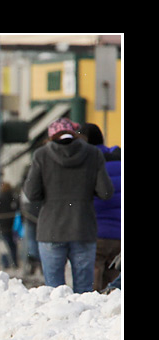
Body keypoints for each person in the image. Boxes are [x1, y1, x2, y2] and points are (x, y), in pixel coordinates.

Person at [23, 117, 113, 294]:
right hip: (83, 228)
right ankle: (83, 322)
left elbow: (31, 194)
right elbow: (106, 192)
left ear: (51, 137)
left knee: (54, 291)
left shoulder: (41, 155)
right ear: (74, 134)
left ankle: (58, 321)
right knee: (84, 291)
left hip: (51, 230)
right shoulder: (93, 155)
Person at [79, 122, 121, 292]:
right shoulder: (120, 159)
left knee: (93, 286)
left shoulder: (87, 162)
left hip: (95, 231)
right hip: (119, 232)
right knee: (113, 281)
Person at [0, 181, 20, 268]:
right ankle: (15, 262)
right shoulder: (13, 198)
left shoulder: (0, 198)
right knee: (12, 245)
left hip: (3, 225)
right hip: (12, 225)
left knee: (4, 245)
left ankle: (5, 263)